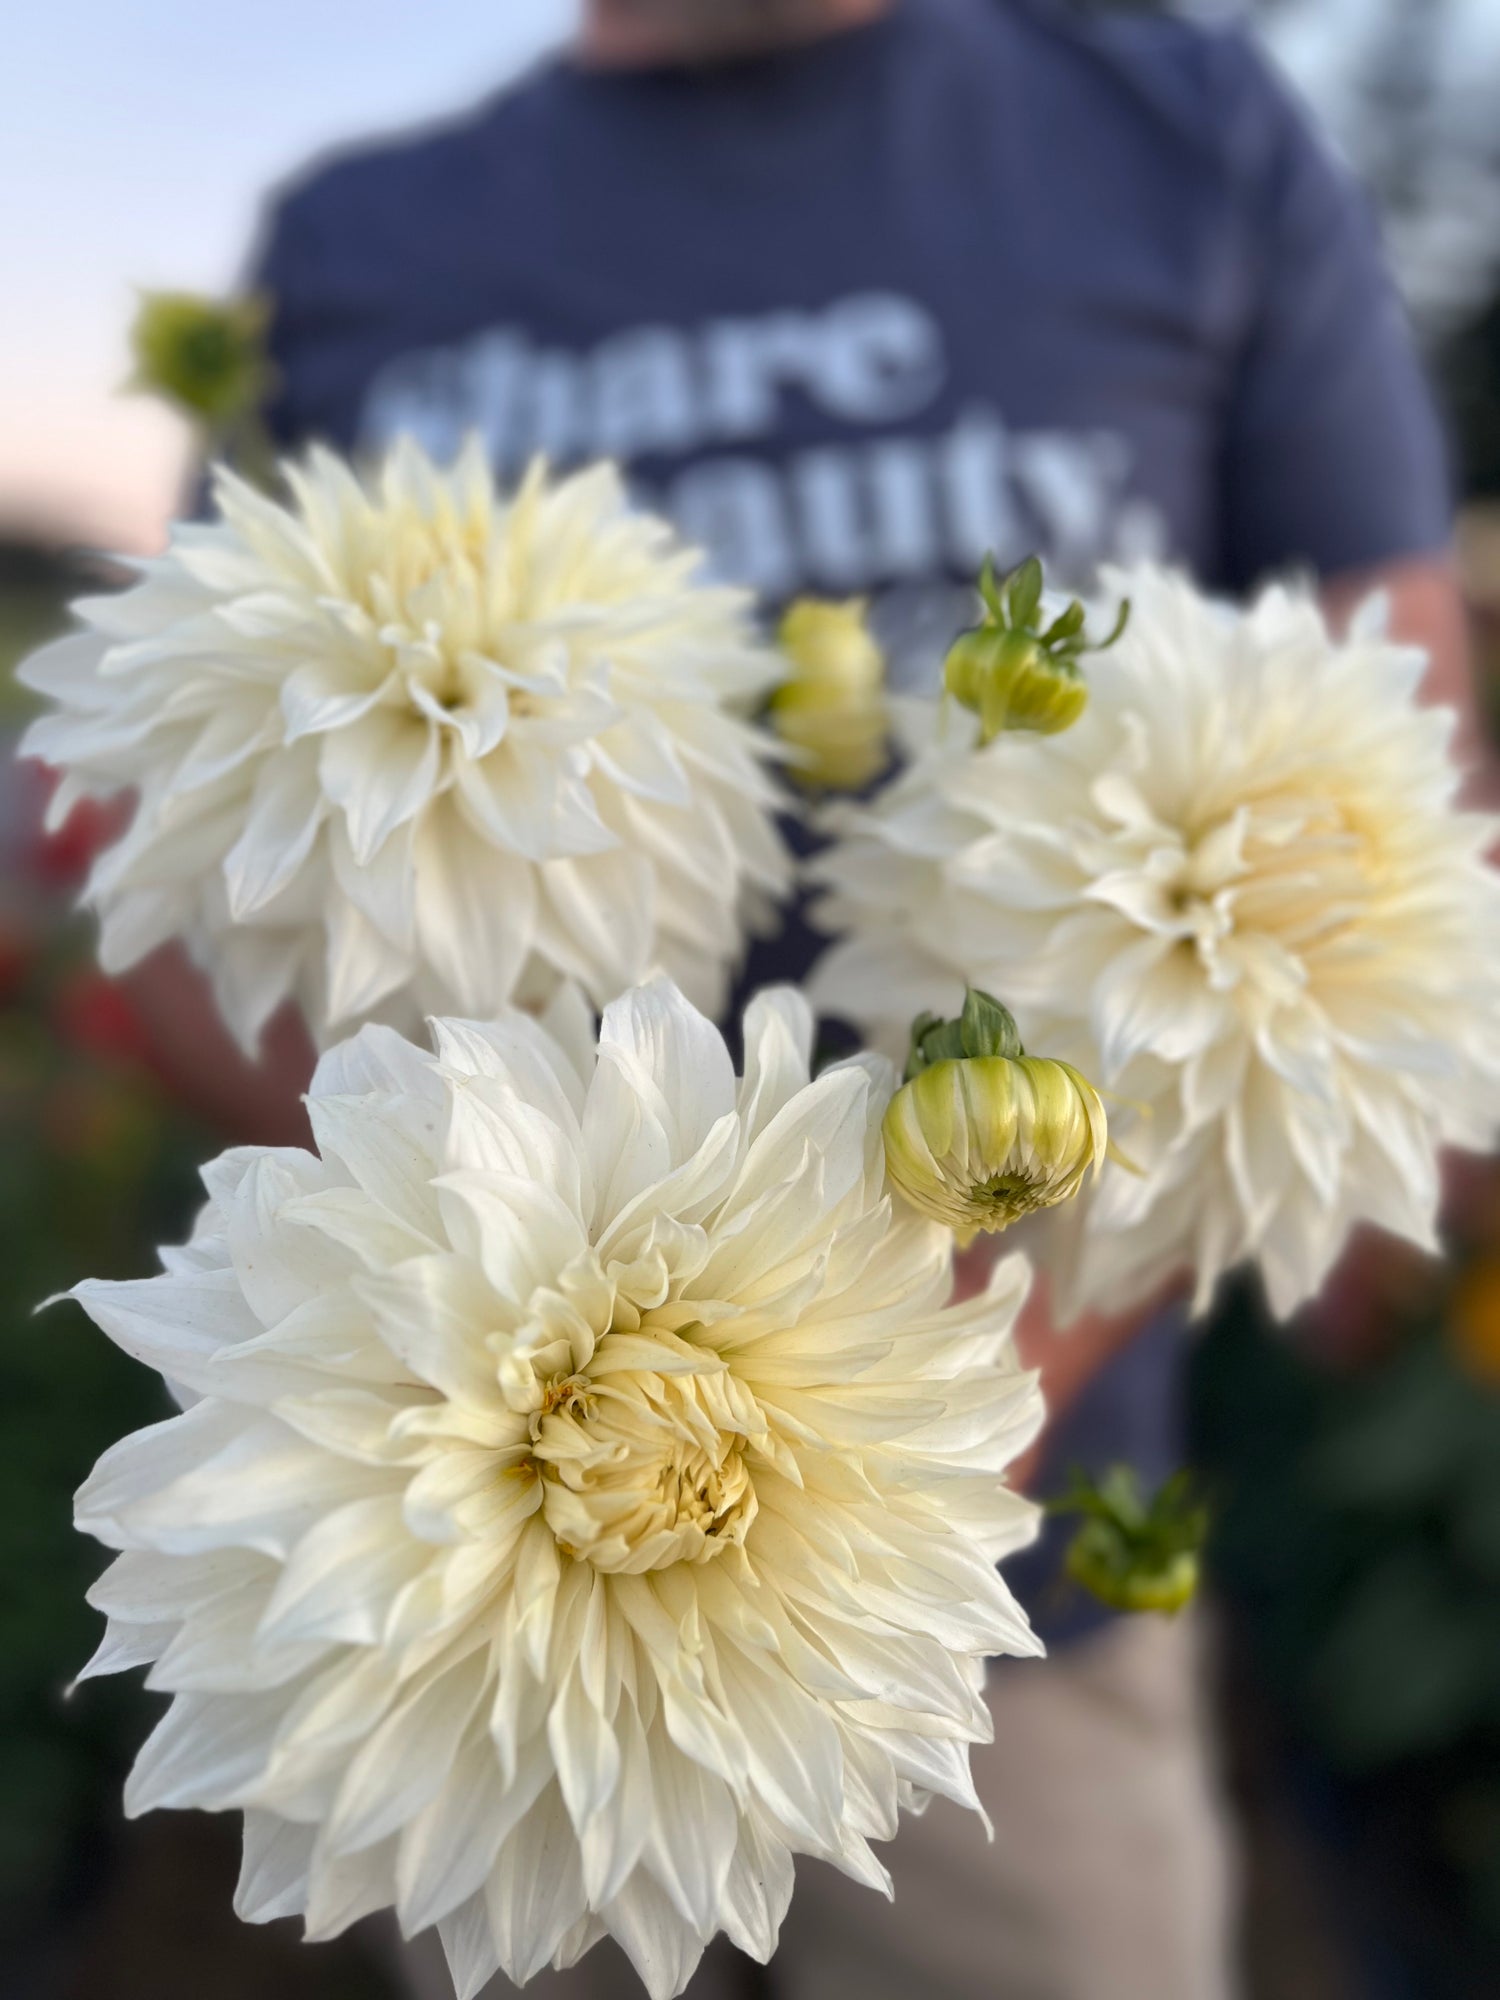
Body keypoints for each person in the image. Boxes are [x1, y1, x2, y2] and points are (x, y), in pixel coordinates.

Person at [216, 1, 1474, 1994]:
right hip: (484, 1559)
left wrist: (938, 1431)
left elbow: (1394, 763)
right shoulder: (358, 238)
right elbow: (258, 855)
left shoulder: (1176, 122)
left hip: (1026, 1586)